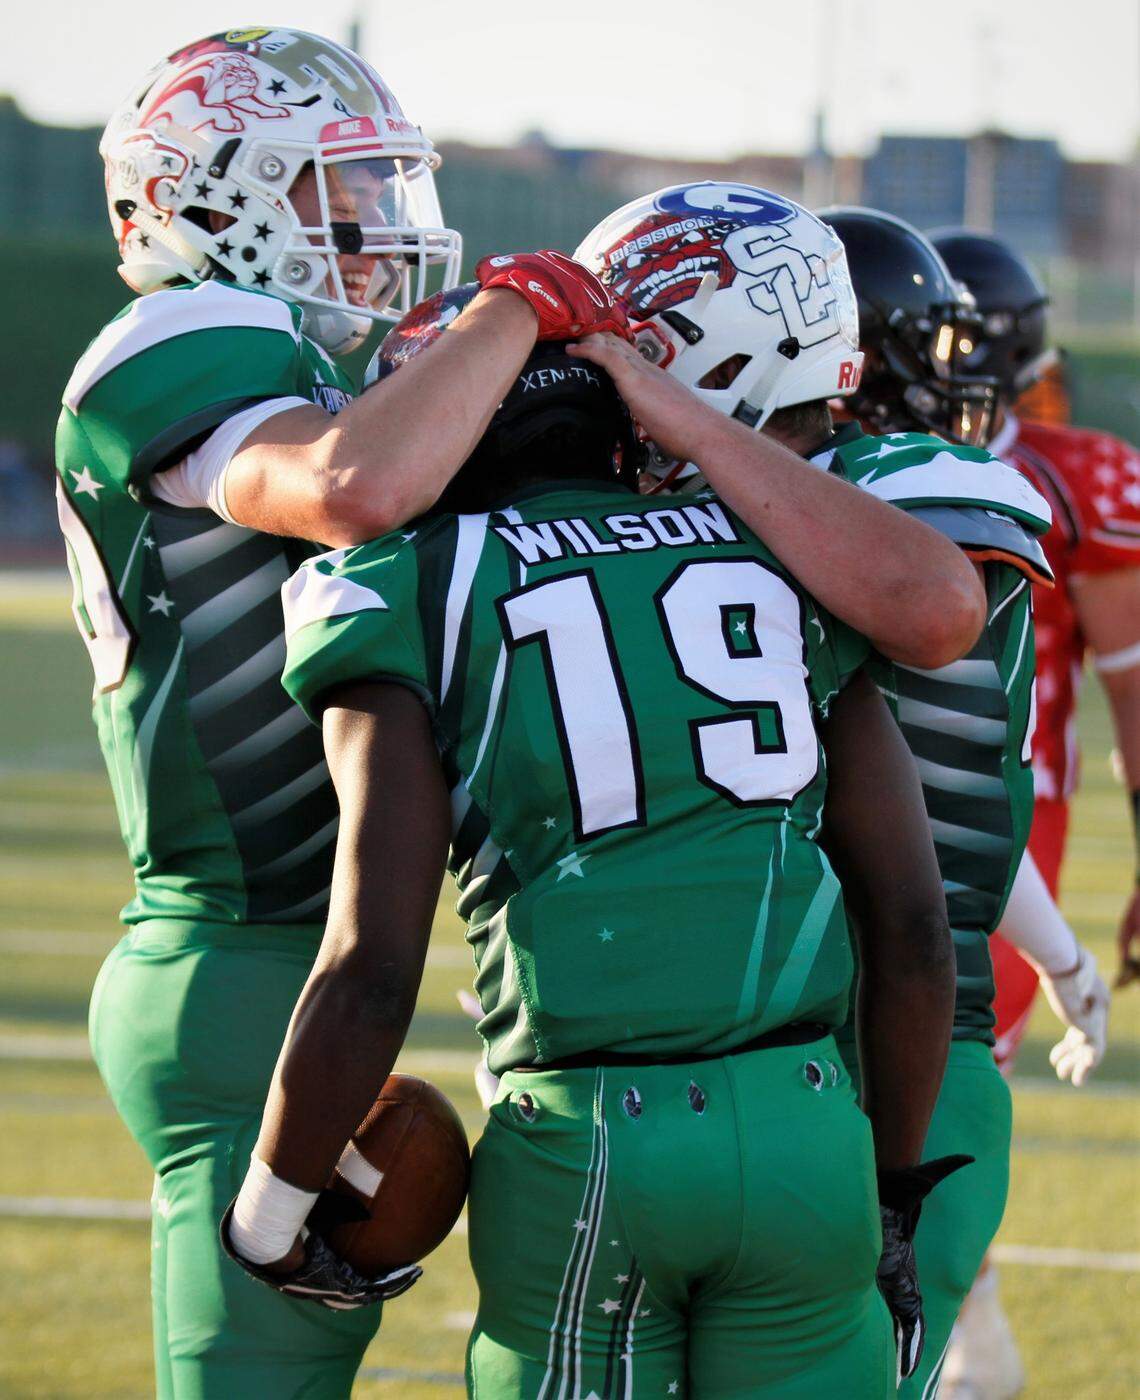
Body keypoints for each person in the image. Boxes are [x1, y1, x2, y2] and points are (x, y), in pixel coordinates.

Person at [222, 286, 962, 1397]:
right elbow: (911, 925)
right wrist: (889, 1188)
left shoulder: (411, 583)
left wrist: (270, 1216)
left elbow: (372, 967)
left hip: (589, 1143)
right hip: (808, 1129)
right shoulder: (773, 556)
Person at [56, 26, 628, 1398]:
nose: (377, 224)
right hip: (234, 953)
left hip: (280, 961)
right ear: (220, 198)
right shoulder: (183, 331)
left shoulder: (299, 345)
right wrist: (505, 319)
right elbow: (352, 489)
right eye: (339, 189)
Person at [571, 191, 1052, 1400]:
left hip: (905, 1056)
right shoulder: (688, 523)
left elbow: (925, 579)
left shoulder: (910, 478)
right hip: (749, 1061)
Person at [929, 228, 1134, 1400]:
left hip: (1002, 826)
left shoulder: (1070, 475)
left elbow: (1130, 680)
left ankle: (962, 1317)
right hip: (924, 814)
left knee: (943, 1073)